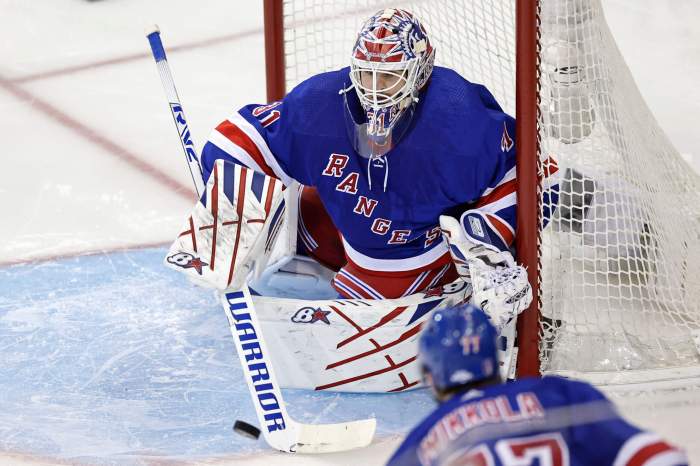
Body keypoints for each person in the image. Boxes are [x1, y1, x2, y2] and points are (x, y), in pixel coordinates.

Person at [199, 8, 554, 319]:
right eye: (366, 74)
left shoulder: (459, 120)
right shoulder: (321, 103)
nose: (374, 89)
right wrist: (228, 212)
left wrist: (486, 241)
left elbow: (539, 173)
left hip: (414, 249)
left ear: (421, 72)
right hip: (347, 224)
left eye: (388, 76)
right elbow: (234, 142)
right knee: (304, 217)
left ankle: (448, 281)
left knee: (377, 299)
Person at [386, 304, 689, 466]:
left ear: (430, 377)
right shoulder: (560, 395)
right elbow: (661, 458)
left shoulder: (420, 443)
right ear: (496, 354)